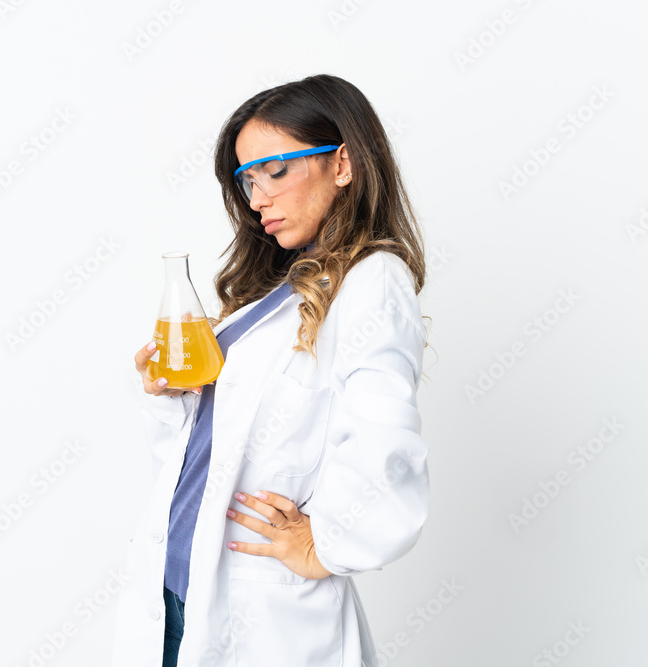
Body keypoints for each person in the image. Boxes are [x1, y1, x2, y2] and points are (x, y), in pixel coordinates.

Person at [111, 73, 431, 667]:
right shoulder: (274, 295)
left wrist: (329, 543)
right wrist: (171, 397)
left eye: (275, 171)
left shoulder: (371, 281)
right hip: (179, 589)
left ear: (343, 163)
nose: (258, 199)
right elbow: (204, 462)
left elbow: (384, 438)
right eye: (247, 179)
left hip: (261, 613)